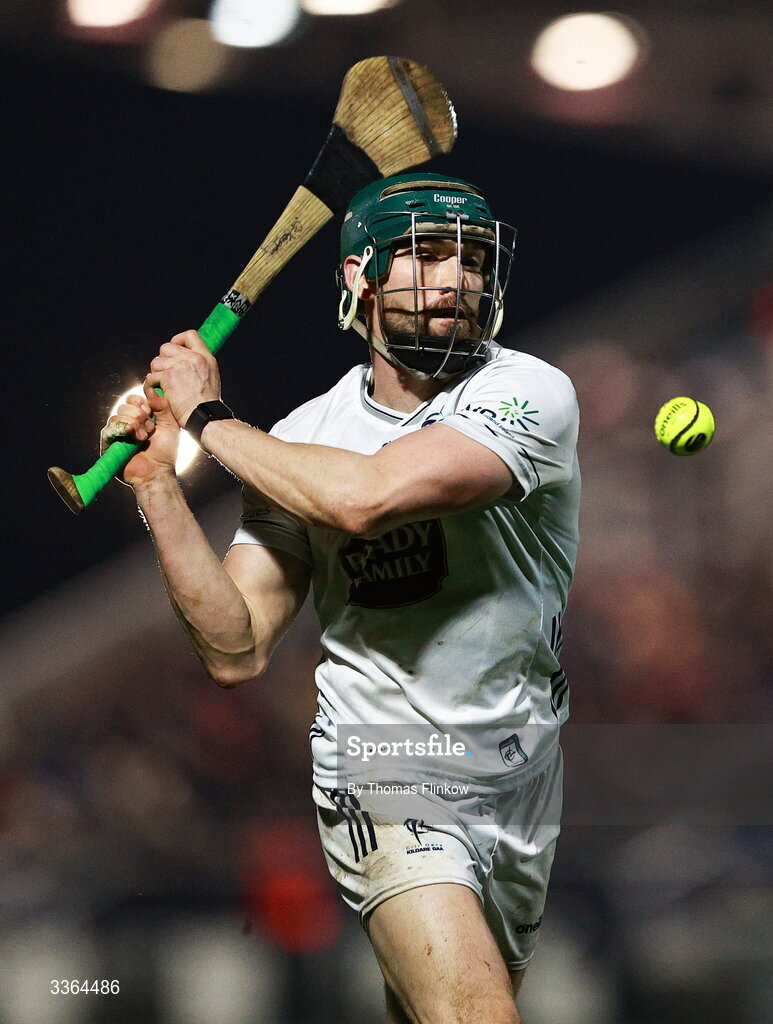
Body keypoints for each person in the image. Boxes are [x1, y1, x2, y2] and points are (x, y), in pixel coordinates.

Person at [102, 172, 580, 1024]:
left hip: (521, 771)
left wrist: (206, 418)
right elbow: (235, 644)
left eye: (470, 260)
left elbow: (368, 497)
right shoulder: (302, 439)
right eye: (424, 256)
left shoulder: (528, 393)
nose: (456, 280)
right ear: (359, 279)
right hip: (382, 765)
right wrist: (158, 490)